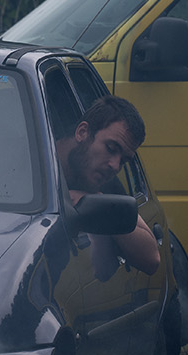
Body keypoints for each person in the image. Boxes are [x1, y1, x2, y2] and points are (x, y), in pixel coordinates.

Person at [55, 95, 161, 277]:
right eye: (111, 148)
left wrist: (95, 204)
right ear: (82, 132)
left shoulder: (101, 179)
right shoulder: (28, 164)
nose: (115, 166)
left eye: (124, 161)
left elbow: (151, 259)